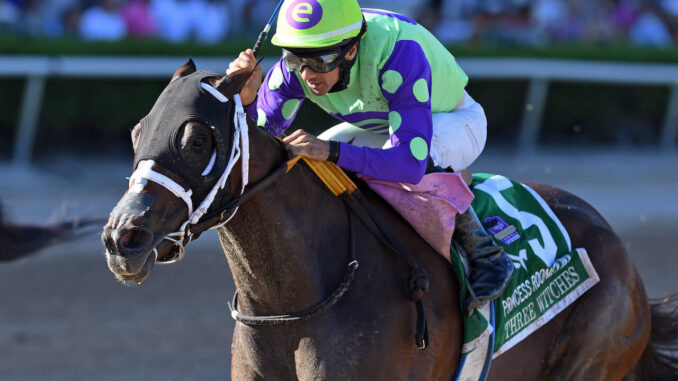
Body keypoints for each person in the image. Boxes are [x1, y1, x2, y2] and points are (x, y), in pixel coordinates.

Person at [227, 0, 513, 313]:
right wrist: (245, 101)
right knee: (307, 160)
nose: (307, 73)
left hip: (455, 123)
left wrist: (332, 152)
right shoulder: (299, 62)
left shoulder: (398, 53)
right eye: (296, 59)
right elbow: (259, 142)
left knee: (335, 150)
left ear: (350, 50)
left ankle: (486, 254)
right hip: (386, 130)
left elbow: (409, 164)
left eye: (320, 61)